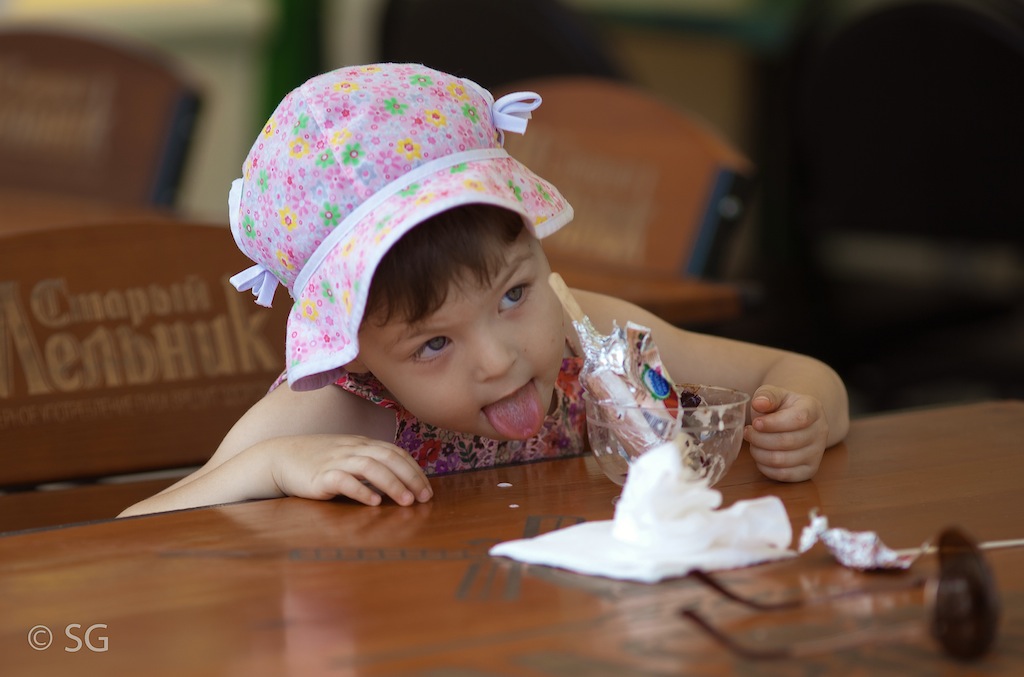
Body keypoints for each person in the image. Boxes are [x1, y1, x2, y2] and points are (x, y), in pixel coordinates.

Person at [120, 63, 848, 518]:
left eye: (511, 295)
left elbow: (792, 374)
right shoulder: (335, 409)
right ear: (356, 348)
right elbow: (137, 532)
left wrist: (805, 416)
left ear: (536, 246)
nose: (499, 359)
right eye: (434, 341)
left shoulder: (580, 329)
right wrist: (270, 466)